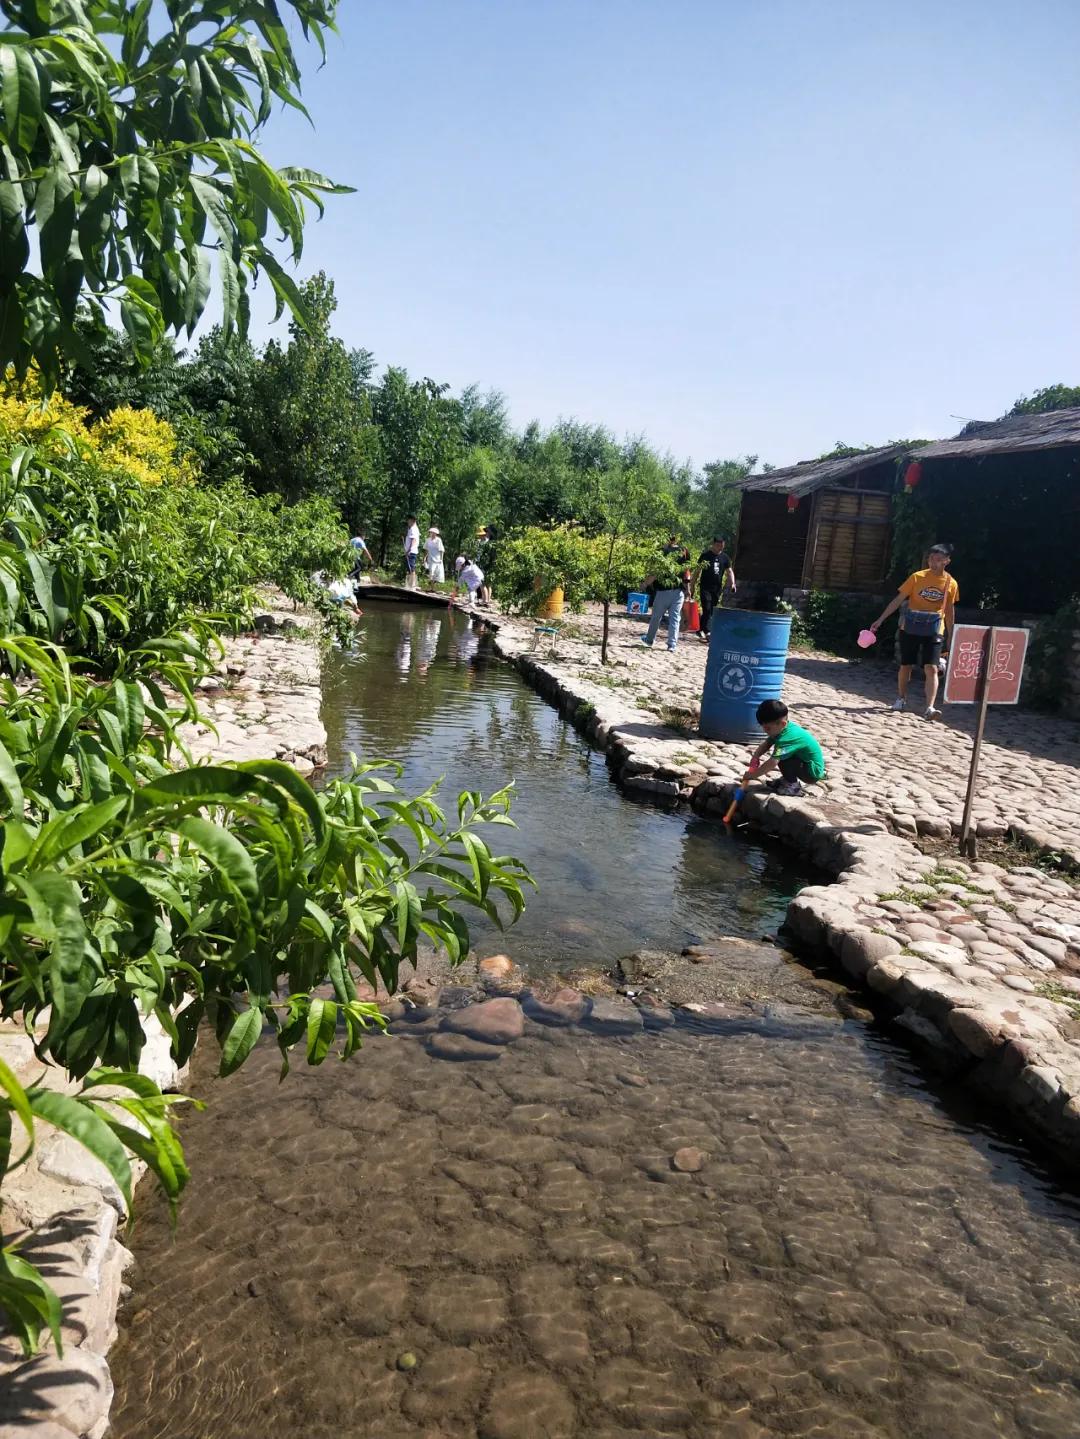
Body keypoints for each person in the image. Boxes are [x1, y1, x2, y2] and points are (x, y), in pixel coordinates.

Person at [869, 543, 958, 719]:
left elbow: (949, 610)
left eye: (939, 560)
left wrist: (951, 635)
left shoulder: (951, 583)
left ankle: (930, 708)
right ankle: (901, 699)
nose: (933, 563)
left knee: (931, 667)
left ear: (947, 561)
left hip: (934, 629)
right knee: (906, 665)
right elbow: (898, 599)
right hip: (910, 626)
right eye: (931, 559)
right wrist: (880, 619)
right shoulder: (917, 577)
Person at [743, 698, 826, 797]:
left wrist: (753, 775)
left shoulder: (787, 738)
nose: (765, 731)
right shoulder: (780, 729)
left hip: (812, 773)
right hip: (804, 764)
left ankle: (793, 787)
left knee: (782, 757)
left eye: (767, 728)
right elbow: (767, 743)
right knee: (783, 755)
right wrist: (755, 757)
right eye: (762, 726)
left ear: (783, 724)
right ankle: (787, 779)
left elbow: (772, 763)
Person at [640, 537, 691, 652]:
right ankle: (672, 645)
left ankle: (649, 639)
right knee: (675, 618)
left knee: (656, 617)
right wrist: (688, 589)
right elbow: (687, 572)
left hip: (663, 591)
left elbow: (656, 573)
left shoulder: (662, 552)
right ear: (677, 539)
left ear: (667, 539)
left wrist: (645, 584)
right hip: (678, 591)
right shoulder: (684, 551)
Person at [693, 536, 736, 642]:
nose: (720, 548)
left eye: (722, 546)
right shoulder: (705, 556)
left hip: (717, 588)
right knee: (706, 607)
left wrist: (732, 584)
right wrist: (692, 585)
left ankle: (700, 629)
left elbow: (729, 571)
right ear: (714, 544)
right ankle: (707, 631)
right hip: (705, 586)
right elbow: (697, 571)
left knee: (711, 610)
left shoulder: (725, 558)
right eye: (718, 546)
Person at [403, 516, 421, 590]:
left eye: (409, 521)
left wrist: (408, 550)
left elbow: (413, 540)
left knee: (411, 568)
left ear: (413, 521)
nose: (408, 522)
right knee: (409, 568)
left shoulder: (414, 529)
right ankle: (410, 584)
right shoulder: (411, 529)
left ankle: (412, 585)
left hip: (411, 551)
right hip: (410, 551)